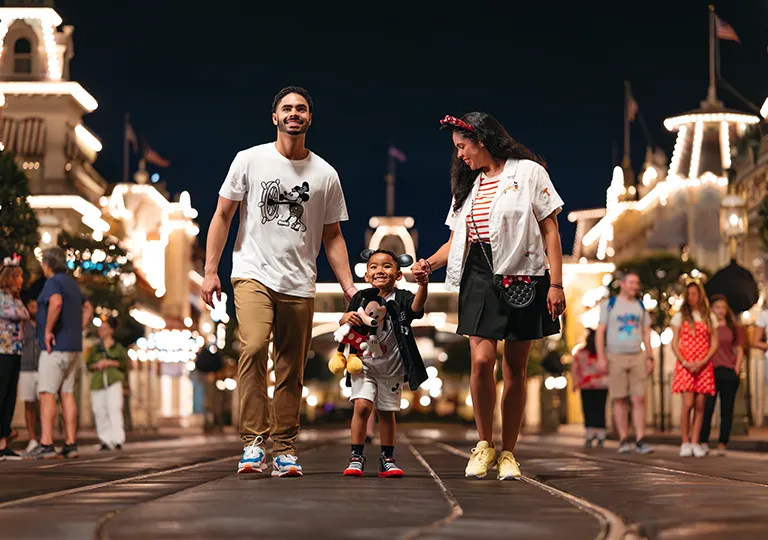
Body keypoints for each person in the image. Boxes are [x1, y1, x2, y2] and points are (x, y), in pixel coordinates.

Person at [202, 86, 356, 477]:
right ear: (275, 117)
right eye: (287, 108)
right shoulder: (249, 160)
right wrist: (209, 270)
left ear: (308, 118)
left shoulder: (325, 174)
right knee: (253, 347)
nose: (294, 114)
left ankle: (284, 448)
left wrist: (349, 287)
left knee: (290, 367)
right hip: (251, 273)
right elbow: (222, 215)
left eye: (301, 109)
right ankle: (254, 443)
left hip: (299, 282)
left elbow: (333, 235)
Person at [412, 113, 565, 480]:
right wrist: (427, 264)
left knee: (515, 368)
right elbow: (456, 240)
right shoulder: (468, 186)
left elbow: (551, 231)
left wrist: (556, 284)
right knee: (482, 361)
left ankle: (509, 452)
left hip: (522, 274)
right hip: (478, 273)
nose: (460, 156)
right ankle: (484, 445)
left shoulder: (529, 173)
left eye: (462, 147)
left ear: (482, 140)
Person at [342, 250, 428, 478]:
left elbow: (416, 309)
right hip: (363, 365)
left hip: (392, 367)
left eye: (387, 266)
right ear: (366, 274)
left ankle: (387, 458)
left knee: (387, 412)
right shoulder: (359, 297)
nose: (380, 270)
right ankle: (356, 456)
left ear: (398, 274)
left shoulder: (403, 297)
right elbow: (345, 319)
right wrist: (345, 318)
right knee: (361, 407)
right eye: (374, 266)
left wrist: (423, 286)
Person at [26, 247, 93, 460]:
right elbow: (89, 308)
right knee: (67, 393)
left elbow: (56, 302)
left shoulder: (53, 281)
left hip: (54, 347)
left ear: (47, 264)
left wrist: (47, 331)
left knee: (46, 393)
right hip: (73, 346)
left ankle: (46, 443)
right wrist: (78, 329)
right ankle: (70, 443)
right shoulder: (72, 283)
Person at [595, 271, 654, 454]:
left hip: (637, 355)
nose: (634, 287)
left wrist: (650, 357)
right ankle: (623, 438)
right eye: (630, 283)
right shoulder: (610, 305)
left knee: (639, 398)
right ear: (622, 284)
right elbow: (600, 331)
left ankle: (640, 439)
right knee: (619, 398)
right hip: (615, 355)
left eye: (636, 283)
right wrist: (601, 356)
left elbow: (646, 332)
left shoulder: (640, 306)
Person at [670, 279, 718, 458]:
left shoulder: (708, 317)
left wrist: (704, 360)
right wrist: (684, 361)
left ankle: (695, 441)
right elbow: (675, 343)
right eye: (689, 294)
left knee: (700, 405)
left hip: (703, 365)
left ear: (700, 295)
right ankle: (685, 441)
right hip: (686, 364)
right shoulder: (680, 316)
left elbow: (714, 343)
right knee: (688, 403)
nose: (692, 297)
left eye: (695, 294)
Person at [699, 294, 743, 456]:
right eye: (717, 307)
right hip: (710, 371)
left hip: (728, 371)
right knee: (707, 407)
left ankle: (722, 443)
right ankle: (703, 441)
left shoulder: (733, 327)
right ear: (712, 309)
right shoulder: (708, 326)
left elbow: (739, 349)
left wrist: (737, 368)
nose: (721, 311)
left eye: (724, 307)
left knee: (727, 409)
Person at [0, 256, 29, 460]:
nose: (22, 281)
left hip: (15, 351)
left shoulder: (17, 299)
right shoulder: (3, 298)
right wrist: (22, 313)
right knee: (1, 394)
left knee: (9, 396)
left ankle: (2, 442)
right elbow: (19, 314)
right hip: (2, 351)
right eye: (19, 277)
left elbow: (24, 313)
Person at [86, 317, 128, 450]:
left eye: (104, 328)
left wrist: (109, 363)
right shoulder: (95, 348)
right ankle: (105, 439)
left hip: (113, 381)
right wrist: (97, 365)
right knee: (99, 410)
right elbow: (88, 365)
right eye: (100, 329)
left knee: (114, 408)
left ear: (111, 330)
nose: (101, 331)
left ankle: (117, 439)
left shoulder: (118, 348)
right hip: (98, 382)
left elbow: (124, 365)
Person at [572, 328, 609, 448]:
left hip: (586, 385)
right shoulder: (603, 353)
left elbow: (574, 368)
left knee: (588, 409)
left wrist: (574, 383)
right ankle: (601, 434)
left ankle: (589, 433)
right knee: (600, 408)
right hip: (602, 384)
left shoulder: (580, 352)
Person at [19, 291, 41, 455]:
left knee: (44, 404)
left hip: (42, 368)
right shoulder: (22, 324)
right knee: (29, 404)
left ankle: (44, 438)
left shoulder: (45, 324)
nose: (34, 308)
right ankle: (32, 438)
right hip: (26, 368)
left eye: (36, 306)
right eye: (31, 305)